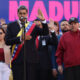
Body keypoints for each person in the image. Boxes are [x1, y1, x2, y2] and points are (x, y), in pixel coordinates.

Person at [5, 5, 49, 80]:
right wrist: (20, 38)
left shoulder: (32, 26)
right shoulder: (11, 26)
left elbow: (45, 32)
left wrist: (43, 21)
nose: (22, 15)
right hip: (17, 61)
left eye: (24, 13)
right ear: (17, 14)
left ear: (27, 14)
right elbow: (7, 41)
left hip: (31, 61)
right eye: (20, 13)